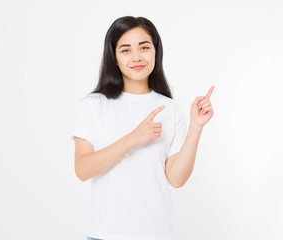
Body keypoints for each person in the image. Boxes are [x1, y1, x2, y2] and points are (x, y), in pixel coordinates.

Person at [72, 16, 214, 240]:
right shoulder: (94, 105)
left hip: (157, 233)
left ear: (156, 52)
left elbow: (176, 179)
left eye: (144, 47)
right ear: (114, 58)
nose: (137, 57)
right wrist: (132, 139)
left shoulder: (169, 108)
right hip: (105, 233)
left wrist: (196, 127)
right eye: (125, 50)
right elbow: (83, 169)